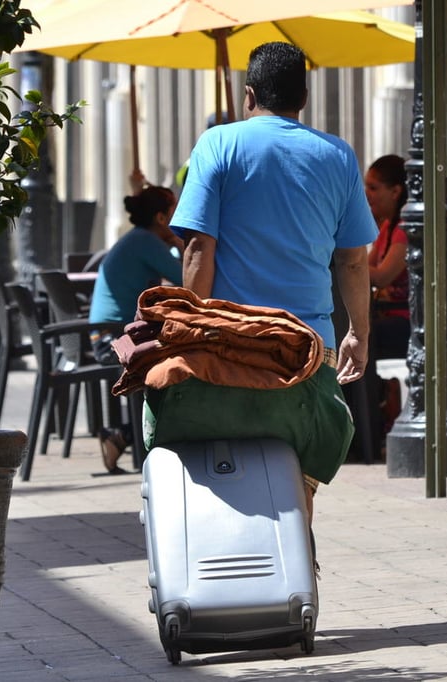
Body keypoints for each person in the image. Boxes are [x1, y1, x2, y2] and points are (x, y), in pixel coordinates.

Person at [150, 41, 377, 532]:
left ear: (248, 95)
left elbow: (197, 250)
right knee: (300, 478)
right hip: (309, 349)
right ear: (305, 97)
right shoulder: (337, 155)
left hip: (233, 344)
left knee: (203, 457)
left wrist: (196, 323)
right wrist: (358, 330)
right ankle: (296, 574)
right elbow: (354, 261)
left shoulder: (217, 144)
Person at [89, 184, 183, 472]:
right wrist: (182, 243)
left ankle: (123, 436)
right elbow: (187, 277)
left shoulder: (138, 239)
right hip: (113, 338)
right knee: (183, 361)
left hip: (107, 334)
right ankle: (137, 437)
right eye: (175, 212)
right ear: (161, 218)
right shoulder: (146, 241)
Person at [365, 154, 410, 359]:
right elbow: (366, 267)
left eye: (373, 188)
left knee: (364, 335)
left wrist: (344, 258)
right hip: (386, 313)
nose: (366, 195)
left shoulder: (403, 231)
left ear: (395, 192)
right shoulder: (386, 227)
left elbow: (382, 276)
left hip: (404, 319)